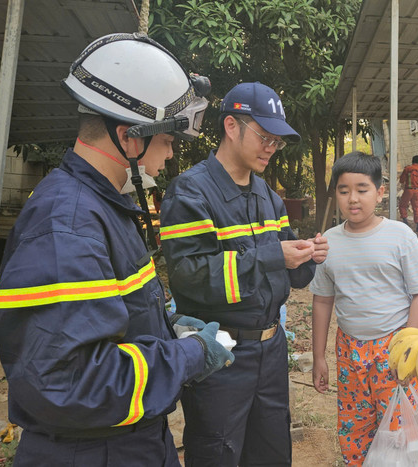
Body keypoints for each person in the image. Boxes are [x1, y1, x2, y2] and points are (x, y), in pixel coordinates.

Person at [0, 33, 234, 466]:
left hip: (123, 441)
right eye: (169, 142)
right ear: (130, 137)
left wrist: (169, 325)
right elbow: (71, 381)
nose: (171, 156)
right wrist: (190, 354)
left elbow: (106, 320)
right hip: (93, 451)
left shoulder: (98, 206)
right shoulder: (67, 224)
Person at [159, 81, 328, 467]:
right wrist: (272, 257)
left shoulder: (267, 195)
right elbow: (189, 275)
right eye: (264, 136)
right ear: (231, 126)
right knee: (218, 451)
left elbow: (288, 275)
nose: (271, 146)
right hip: (221, 352)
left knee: (270, 451)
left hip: (270, 350)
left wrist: (308, 257)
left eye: (277, 140)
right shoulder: (190, 192)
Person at [309, 151, 418, 466]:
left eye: (362, 189)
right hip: (349, 351)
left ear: (379, 192)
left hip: (393, 349)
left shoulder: (399, 236)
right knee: (355, 429)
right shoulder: (328, 243)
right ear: (335, 193)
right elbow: (323, 301)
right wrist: (319, 356)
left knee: (400, 431)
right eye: (343, 190)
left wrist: (409, 343)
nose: (353, 199)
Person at [398, 154, 418, 232]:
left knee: (402, 206)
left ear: (412, 160)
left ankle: (405, 221)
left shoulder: (407, 169)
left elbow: (401, 180)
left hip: (408, 190)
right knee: (416, 208)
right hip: (417, 191)